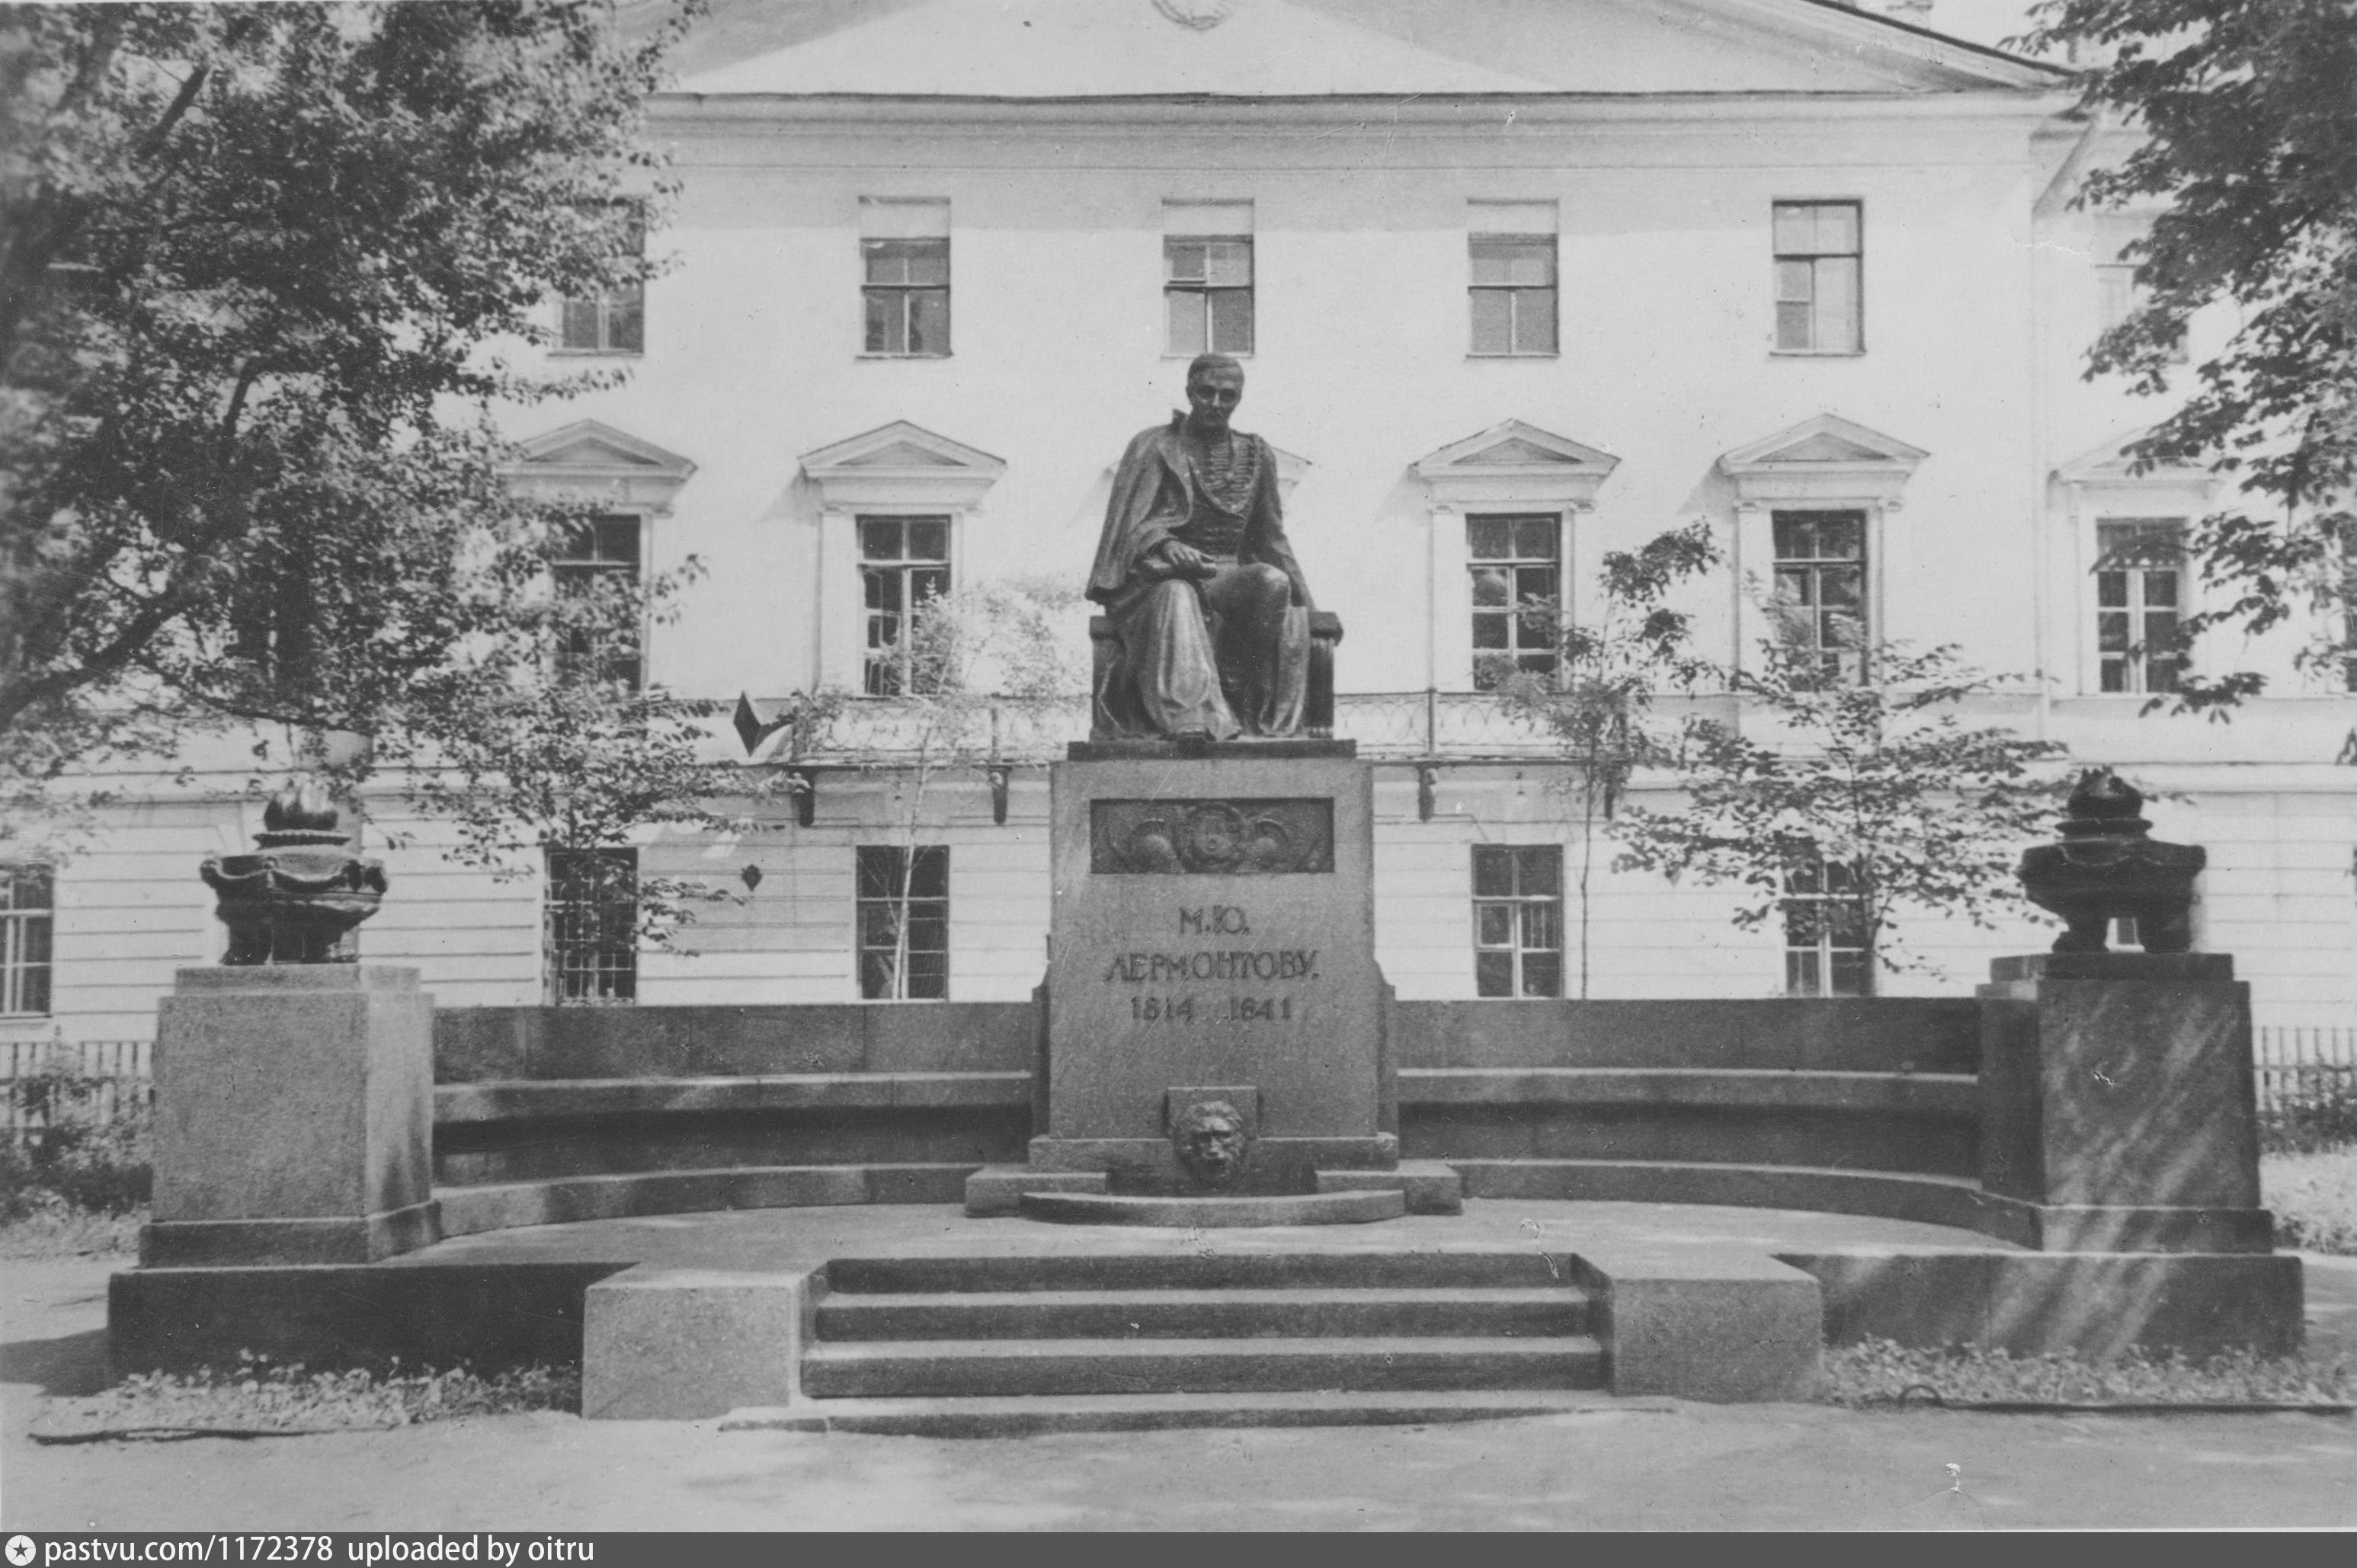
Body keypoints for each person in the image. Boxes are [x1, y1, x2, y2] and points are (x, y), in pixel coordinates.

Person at [1086, 354, 1313, 740]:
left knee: (1272, 582)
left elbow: (1271, 537)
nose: (1216, 403)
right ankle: (1189, 715)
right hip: (1157, 582)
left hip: (1225, 577)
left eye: (1228, 395)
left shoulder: (1257, 453)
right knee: (1179, 594)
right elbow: (1124, 527)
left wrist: (1312, 609)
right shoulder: (1153, 445)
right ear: (1190, 392)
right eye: (1206, 393)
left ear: (1239, 398)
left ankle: (1232, 681)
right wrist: (1164, 542)